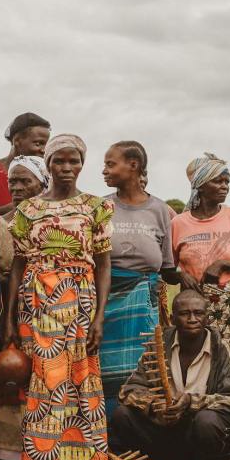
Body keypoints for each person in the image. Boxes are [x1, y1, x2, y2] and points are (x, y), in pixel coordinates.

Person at [5, 133, 112, 460]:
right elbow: (18, 267)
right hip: (37, 302)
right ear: (48, 163)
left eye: (74, 161)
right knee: (43, 382)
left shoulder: (96, 207)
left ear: (82, 164)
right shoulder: (28, 211)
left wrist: (98, 316)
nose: (67, 168)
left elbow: (103, 265)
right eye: (59, 161)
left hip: (80, 301)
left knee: (82, 381)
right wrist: (10, 317)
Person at [111, 290, 230, 460]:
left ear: (207, 317)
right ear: (173, 318)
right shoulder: (159, 344)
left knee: (207, 420)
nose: (192, 319)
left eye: (198, 313)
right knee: (122, 415)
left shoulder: (221, 348)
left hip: (201, 432)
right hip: (166, 430)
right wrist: (155, 405)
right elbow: (127, 391)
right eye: (185, 313)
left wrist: (190, 402)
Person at [0, 155, 48, 460]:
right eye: (14, 183)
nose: (19, 188)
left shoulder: (51, 220)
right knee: (8, 385)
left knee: (41, 386)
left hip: (48, 314)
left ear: (43, 184)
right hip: (4, 315)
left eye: (27, 182)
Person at [99, 141, 178, 412]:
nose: (104, 171)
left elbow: (167, 264)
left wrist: (186, 278)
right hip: (107, 299)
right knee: (106, 365)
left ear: (133, 166)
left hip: (144, 298)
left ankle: (139, 428)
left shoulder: (159, 209)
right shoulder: (102, 207)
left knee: (144, 363)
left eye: (111, 164)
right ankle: (109, 430)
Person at [171, 153, 230, 361]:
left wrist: (224, 263)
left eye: (227, 181)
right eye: (218, 181)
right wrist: (181, 276)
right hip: (194, 310)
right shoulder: (179, 223)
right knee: (197, 360)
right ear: (201, 185)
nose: (225, 186)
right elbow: (166, 268)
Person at [0, 112, 51, 215]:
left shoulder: (45, 177)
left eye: (46, 145)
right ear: (16, 141)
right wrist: (15, 208)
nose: (44, 150)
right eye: (38, 143)